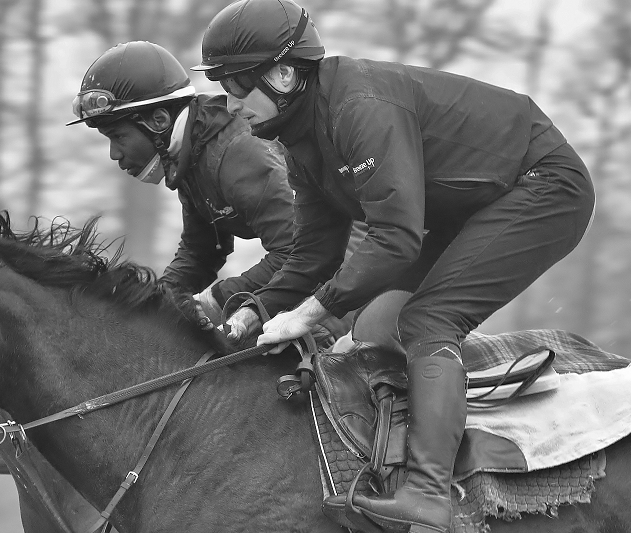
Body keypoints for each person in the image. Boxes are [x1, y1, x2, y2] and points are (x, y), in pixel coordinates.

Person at [193, 1, 597, 532]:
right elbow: (314, 254)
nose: (229, 102)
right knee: (376, 326)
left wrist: (311, 312)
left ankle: (429, 494)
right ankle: (412, 452)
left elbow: (396, 239)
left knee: (428, 320)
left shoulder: (358, 106)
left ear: (284, 75)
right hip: (475, 203)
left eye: (236, 85)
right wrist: (256, 311)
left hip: (543, 185)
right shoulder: (301, 141)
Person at [68, 40, 350, 342]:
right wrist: (154, 301)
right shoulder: (190, 153)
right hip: (312, 276)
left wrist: (214, 300)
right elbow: (201, 252)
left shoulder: (235, 153)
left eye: (118, 136)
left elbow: (298, 251)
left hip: (347, 272)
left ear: (159, 121)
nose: (114, 154)